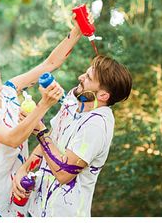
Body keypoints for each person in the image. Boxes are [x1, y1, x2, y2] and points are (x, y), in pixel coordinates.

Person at [0, 14, 89, 217]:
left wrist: (77, 31)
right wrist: (44, 104)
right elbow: (13, 139)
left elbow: (49, 64)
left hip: (23, 188)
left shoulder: (9, 91)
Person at [12, 55, 132, 217]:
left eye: (88, 77)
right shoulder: (74, 99)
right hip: (36, 211)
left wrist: (39, 131)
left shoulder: (96, 126)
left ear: (103, 96)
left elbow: (63, 173)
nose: (80, 77)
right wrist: (23, 170)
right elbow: (51, 141)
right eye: (86, 73)